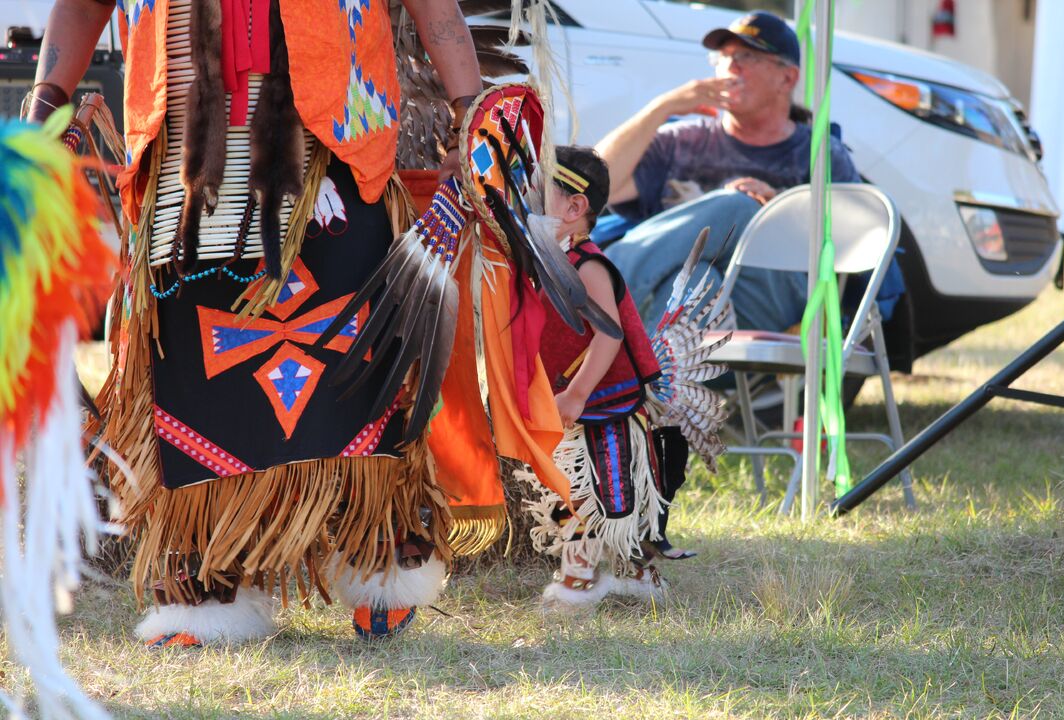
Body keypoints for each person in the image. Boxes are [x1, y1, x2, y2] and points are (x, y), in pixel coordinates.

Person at [27, 0, 487, 646]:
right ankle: (211, 579)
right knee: (200, 371)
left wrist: (471, 113)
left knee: (355, 352)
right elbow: (81, 6)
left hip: (338, 141)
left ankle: (378, 552)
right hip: (191, 146)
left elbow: (434, 9)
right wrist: (47, 103)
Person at [595, 10, 861, 333]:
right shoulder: (681, 140)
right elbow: (595, 187)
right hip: (690, 314)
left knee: (739, 206)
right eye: (723, 57)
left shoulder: (819, 152)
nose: (730, 67)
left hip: (777, 307)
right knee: (697, 277)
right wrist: (661, 108)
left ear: (787, 78)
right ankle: (658, 381)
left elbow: (855, 245)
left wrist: (780, 208)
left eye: (746, 55)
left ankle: (598, 296)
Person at [519, 146, 676, 611]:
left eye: (538, 192)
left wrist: (578, 393)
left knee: (610, 495)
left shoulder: (588, 265)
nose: (527, 199)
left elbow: (609, 336)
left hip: (604, 405)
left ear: (573, 207)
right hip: (571, 402)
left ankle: (617, 575)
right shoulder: (548, 257)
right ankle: (583, 572)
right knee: (570, 489)